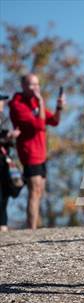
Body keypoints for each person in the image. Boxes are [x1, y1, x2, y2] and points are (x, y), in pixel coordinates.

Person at [9, 74, 65, 229]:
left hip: (41, 154)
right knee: (34, 191)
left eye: (37, 84)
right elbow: (39, 125)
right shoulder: (17, 104)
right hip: (29, 153)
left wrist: (59, 107)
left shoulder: (35, 102)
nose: (36, 88)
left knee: (39, 191)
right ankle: (31, 230)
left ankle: (35, 227)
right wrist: (41, 102)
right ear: (23, 86)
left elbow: (54, 121)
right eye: (32, 85)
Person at [0, 94, 21, 232]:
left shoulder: (4, 118)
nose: (2, 102)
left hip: (4, 158)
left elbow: (11, 141)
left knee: (6, 190)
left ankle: (3, 223)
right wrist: (5, 137)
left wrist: (11, 137)